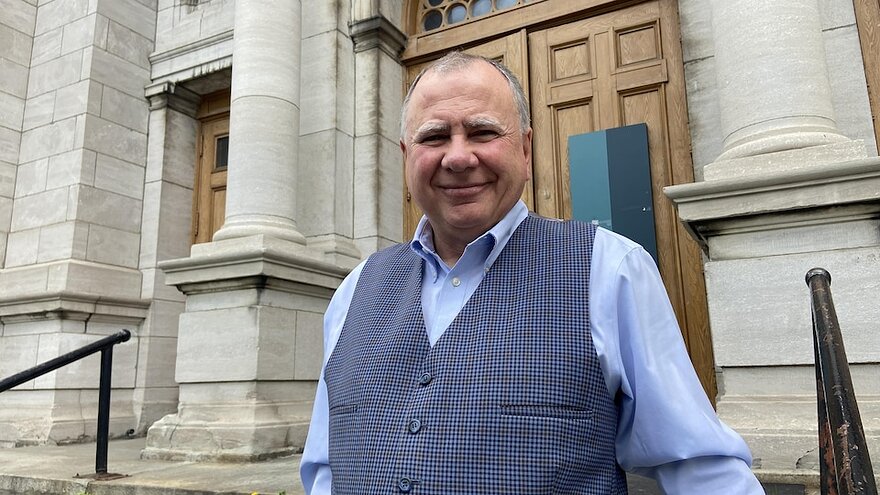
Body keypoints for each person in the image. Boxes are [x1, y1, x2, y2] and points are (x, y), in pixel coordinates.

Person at [300, 51, 764, 494]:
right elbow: (325, 469)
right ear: (406, 156)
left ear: (524, 149)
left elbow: (699, 468)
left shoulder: (610, 269)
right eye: (434, 136)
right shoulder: (354, 290)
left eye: (482, 132)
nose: (458, 157)